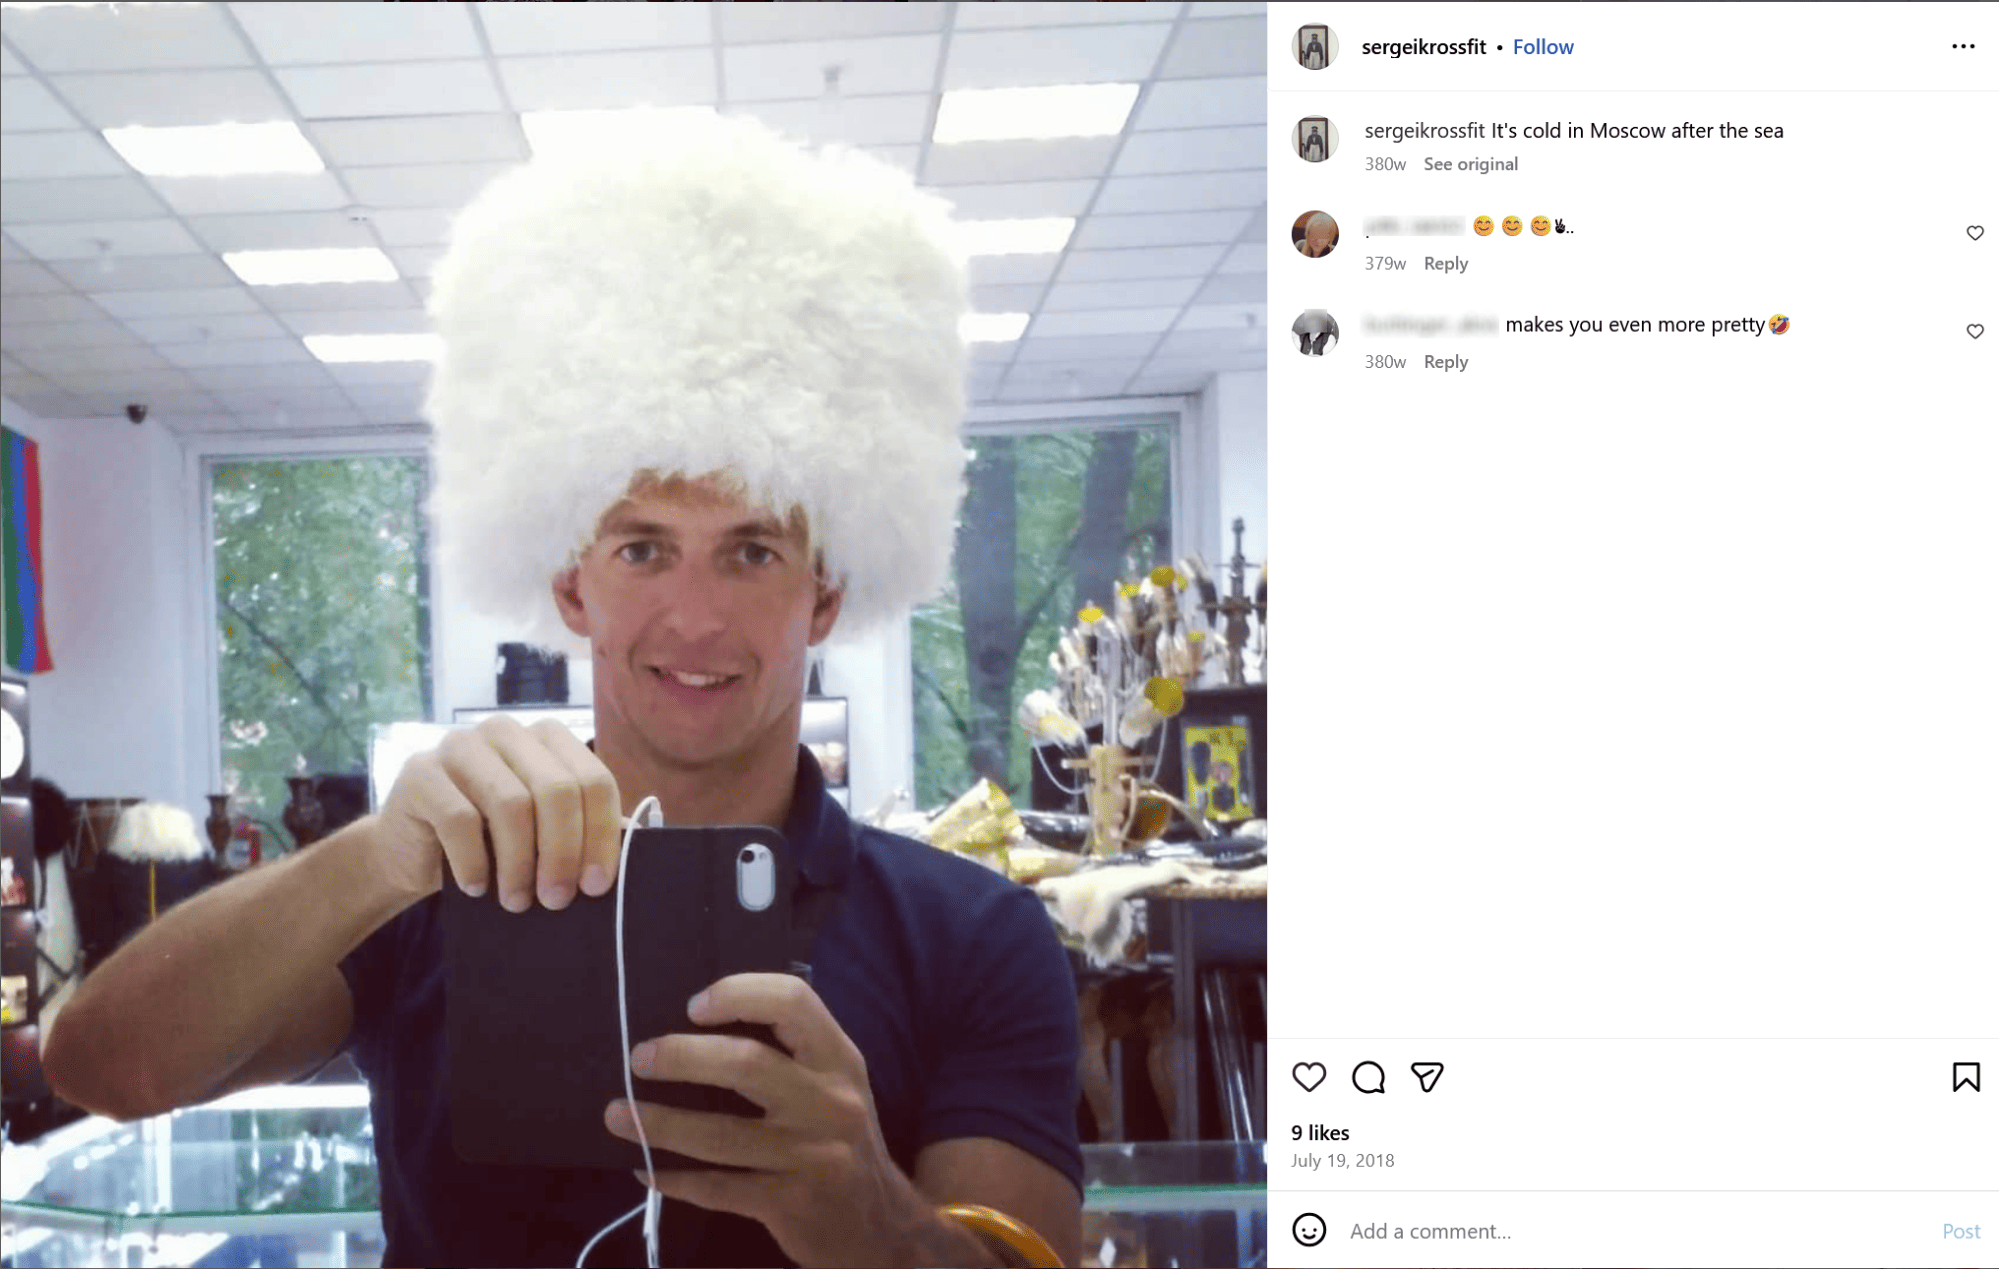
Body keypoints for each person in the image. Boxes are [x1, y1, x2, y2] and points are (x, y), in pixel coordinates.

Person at [42, 115, 1083, 1270]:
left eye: (751, 551)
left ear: (824, 596)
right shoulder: (430, 887)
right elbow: (100, 1067)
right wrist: (377, 854)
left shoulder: (972, 933)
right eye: (643, 548)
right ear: (571, 587)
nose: (695, 617)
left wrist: (864, 1210)